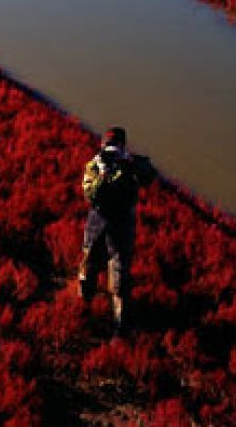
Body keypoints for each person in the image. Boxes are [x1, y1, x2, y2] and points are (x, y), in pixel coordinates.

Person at [78, 126, 156, 332]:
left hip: (122, 231)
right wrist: (103, 173)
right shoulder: (94, 167)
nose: (111, 150)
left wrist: (129, 163)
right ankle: (82, 309)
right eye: (108, 146)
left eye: (116, 146)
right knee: (87, 270)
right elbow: (91, 196)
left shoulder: (131, 164)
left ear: (123, 147)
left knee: (120, 281)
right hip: (97, 226)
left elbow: (150, 176)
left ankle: (120, 326)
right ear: (102, 146)